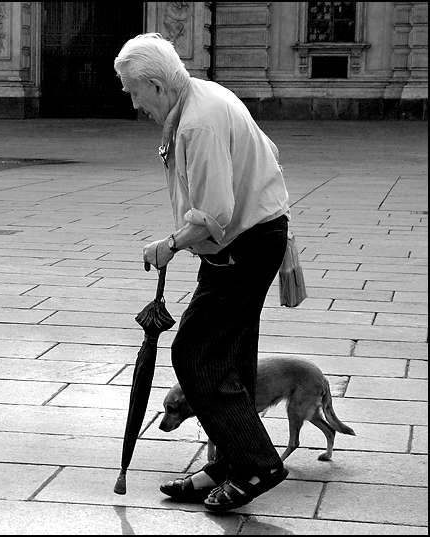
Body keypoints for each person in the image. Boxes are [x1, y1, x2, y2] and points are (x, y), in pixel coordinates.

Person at [113, 33, 292, 512]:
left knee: (196, 353)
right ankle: (230, 461)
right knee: (231, 355)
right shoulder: (205, 95)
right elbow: (268, 150)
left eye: (133, 92)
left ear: (156, 85)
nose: (133, 103)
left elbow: (214, 214)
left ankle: (256, 464)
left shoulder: (197, 124)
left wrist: (169, 244)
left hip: (242, 247)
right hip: (252, 241)